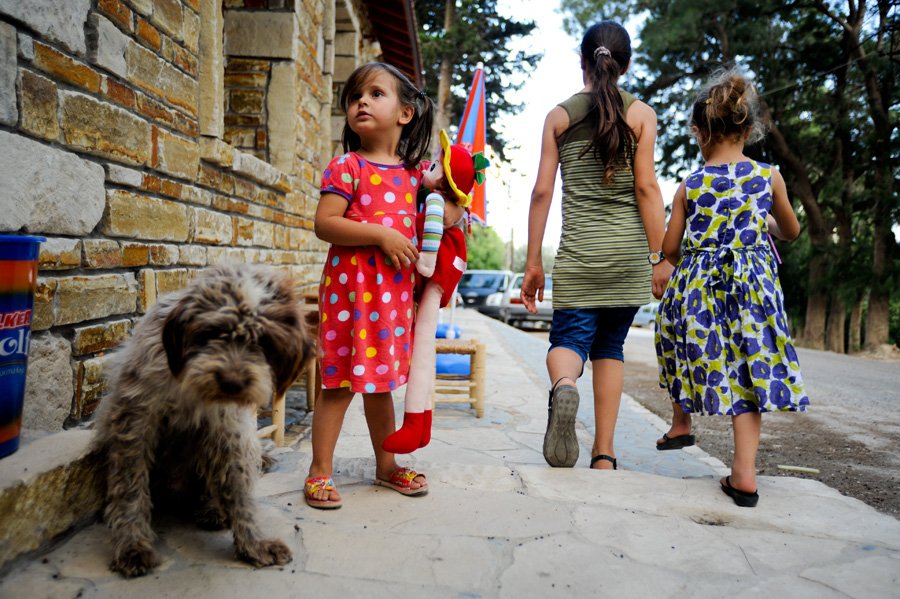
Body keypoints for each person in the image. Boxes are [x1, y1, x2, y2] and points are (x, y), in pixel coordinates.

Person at [654, 69, 810, 507]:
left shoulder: (691, 184)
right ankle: (744, 473)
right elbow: (792, 230)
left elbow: (669, 247)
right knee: (748, 369)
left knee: (678, 345)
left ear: (700, 133)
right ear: (748, 129)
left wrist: (669, 259)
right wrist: (765, 221)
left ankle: (681, 421)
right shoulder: (768, 178)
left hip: (699, 288)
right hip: (753, 290)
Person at [523, 21, 672, 471]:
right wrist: (659, 256)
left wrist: (534, 263)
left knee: (569, 339)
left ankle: (565, 383)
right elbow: (647, 189)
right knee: (611, 347)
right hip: (627, 259)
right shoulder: (642, 115)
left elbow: (542, 194)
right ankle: (604, 455)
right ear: (624, 66)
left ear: (583, 62)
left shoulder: (559, 117)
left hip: (579, 258)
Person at [305, 62, 434, 509]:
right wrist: (380, 233)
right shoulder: (348, 166)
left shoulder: (414, 176)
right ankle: (320, 471)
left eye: (376, 94)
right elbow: (326, 224)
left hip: (391, 303)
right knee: (337, 386)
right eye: (355, 96)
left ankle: (388, 465)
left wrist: (454, 196)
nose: (361, 101)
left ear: (405, 113)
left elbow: (445, 212)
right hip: (348, 300)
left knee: (380, 388)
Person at [382, 129, 488, 454]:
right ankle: (423, 423)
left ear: (446, 181)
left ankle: (414, 424)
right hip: (440, 279)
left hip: (432, 276)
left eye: (438, 167)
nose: (430, 167)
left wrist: (424, 263)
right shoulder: (448, 202)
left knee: (423, 350)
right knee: (423, 349)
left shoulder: (438, 202)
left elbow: (430, 235)